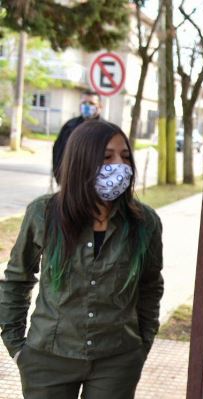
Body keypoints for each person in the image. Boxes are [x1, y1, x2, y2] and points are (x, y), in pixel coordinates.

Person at [0, 120, 164, 398]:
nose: (119, 165)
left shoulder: (144, 222)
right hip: (48, 358)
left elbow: (150, 287)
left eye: (125, 156)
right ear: (82, 161)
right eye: (106, 157)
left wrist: (142, 345)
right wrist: (16, 347)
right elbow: (17, 279)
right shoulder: (43, 213)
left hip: (117, 359)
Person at [52, 90, 103, 184]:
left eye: (91, 103)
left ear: (100, 106)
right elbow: (58, 150)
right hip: (70, 182)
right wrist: (59, 177)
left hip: (95, 184)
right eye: (84, 103)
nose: (87, 106)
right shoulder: (69, 126)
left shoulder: (105, 130)